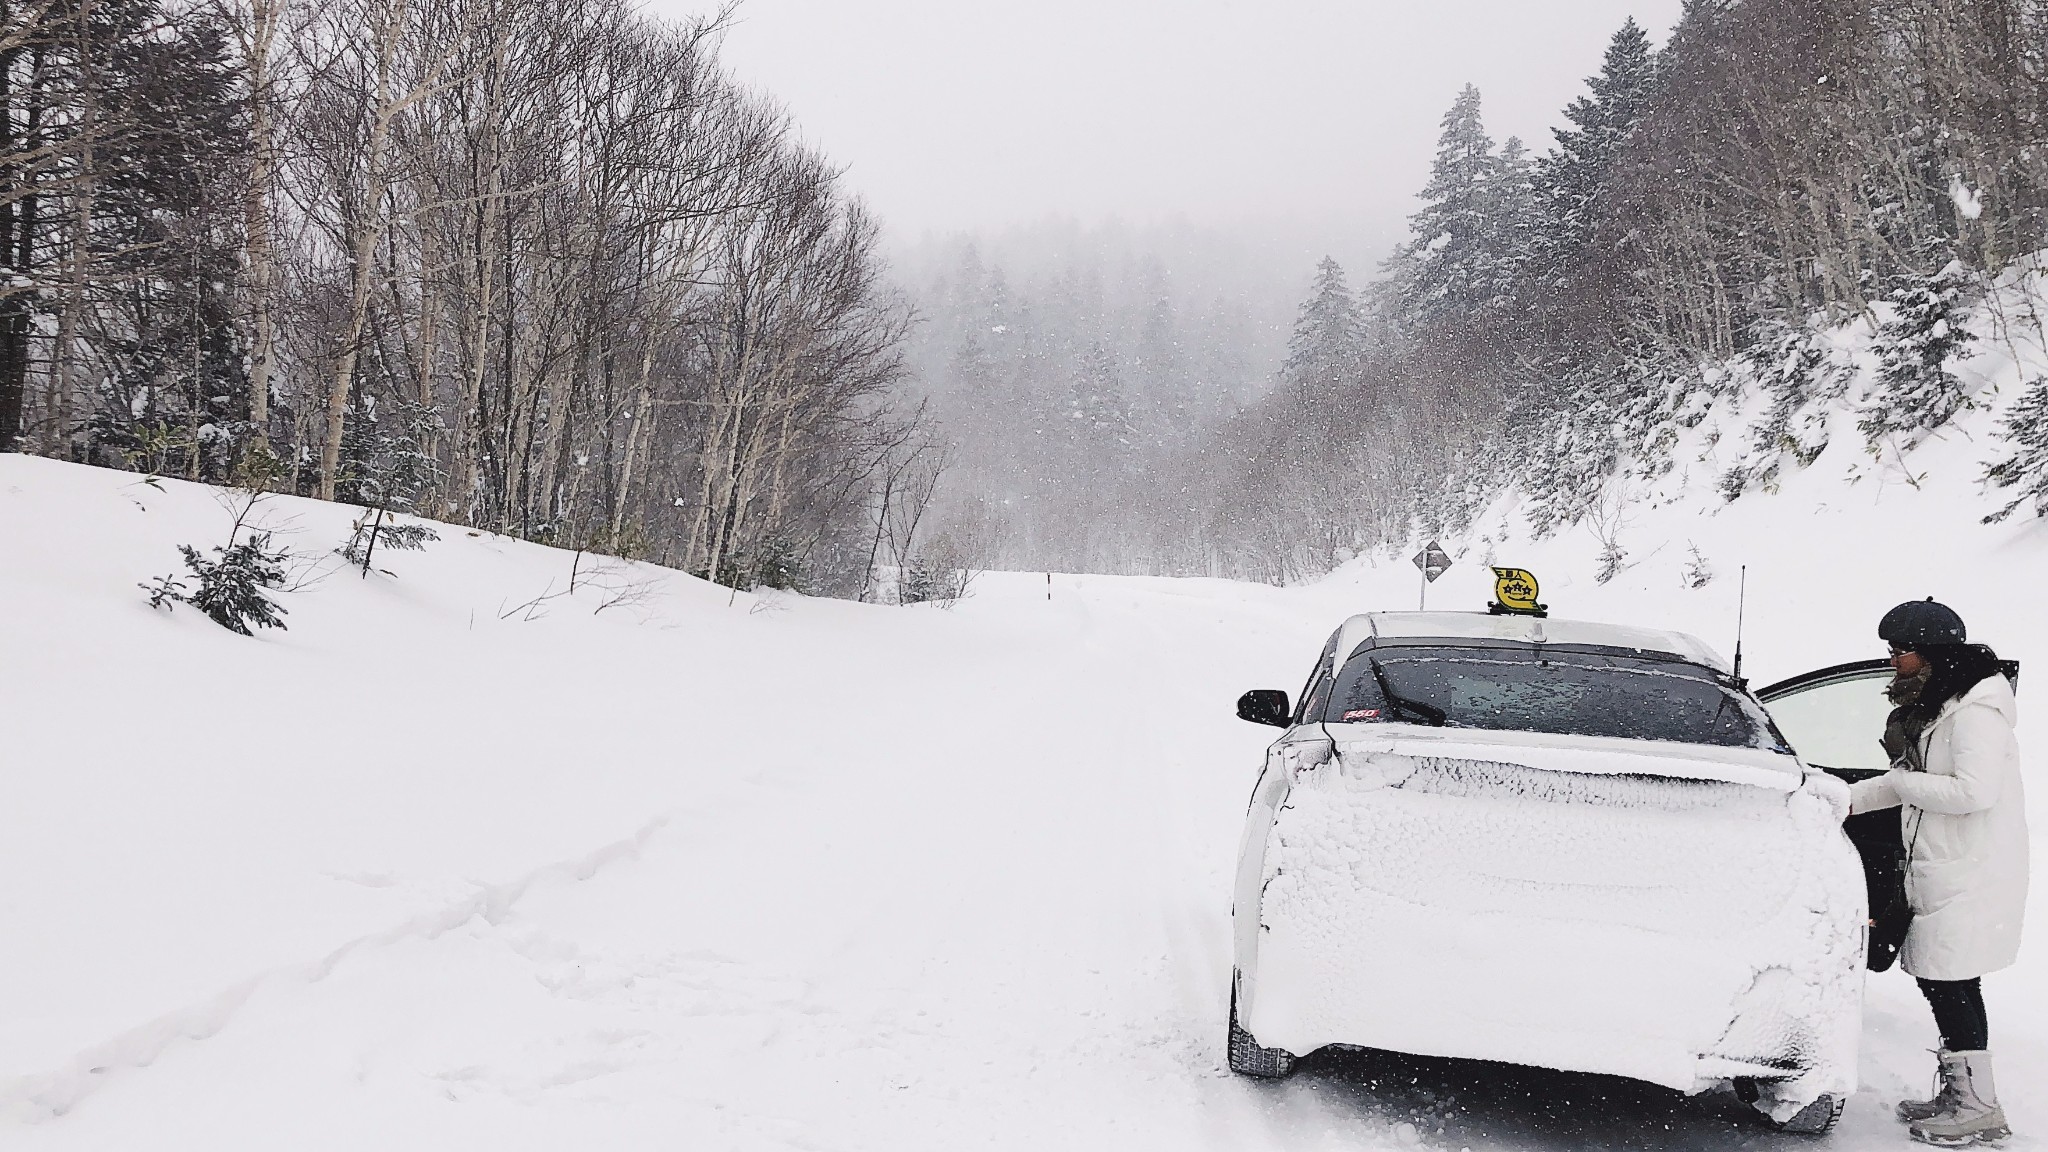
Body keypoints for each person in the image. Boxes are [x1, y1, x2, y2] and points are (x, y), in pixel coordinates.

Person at [1849, 598, 2028, 1147]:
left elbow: (1974, 792)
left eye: (1900, 650)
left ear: (1932, 653)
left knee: (1950, 982)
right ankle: (1965, 1095)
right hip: (1944, 866)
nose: (1892, 660)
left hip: (1969, 870)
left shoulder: (1975, 712)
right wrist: (1838, 799)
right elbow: (1905, 775)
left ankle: (1977, 1106)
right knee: (1945, 979)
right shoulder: (1941, 704)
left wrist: (1901, 787)